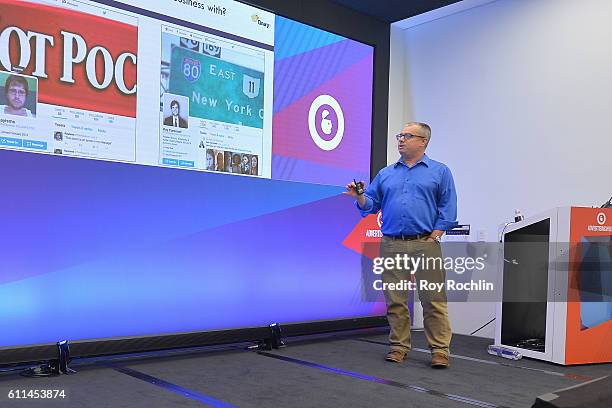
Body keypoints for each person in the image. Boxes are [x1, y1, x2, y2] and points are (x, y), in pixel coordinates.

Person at [345, 122, 457, 368]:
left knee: (433, 299)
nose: (401, 140)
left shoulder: (439, 171)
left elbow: (448, 208)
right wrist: (360, 195)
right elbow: (371, 204)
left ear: (423, 141)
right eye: (400, 135)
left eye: (407, 136)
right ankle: (398, 346)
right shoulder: (386, 173)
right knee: (395, 299)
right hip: (392, 243)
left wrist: (435, 235)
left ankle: (439, 350)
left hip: (425, 242)